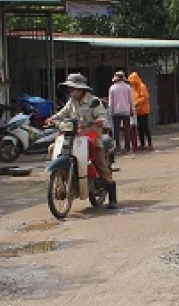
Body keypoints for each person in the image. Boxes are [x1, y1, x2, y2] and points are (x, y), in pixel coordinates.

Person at [47, 73, 116, 209]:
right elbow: (62, 114)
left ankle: (113, 197)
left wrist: (99, 121)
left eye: (73, 88)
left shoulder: (93, 101)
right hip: (73, 137)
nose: (71, 91)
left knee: (100, 164)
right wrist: (51, 119)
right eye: (70, 88)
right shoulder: (71, 102)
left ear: (82, 89)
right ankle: (62, 182)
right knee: (52, 148)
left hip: (92, 137)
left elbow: (103, 117)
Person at [107, 70, 135, 153]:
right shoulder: (128, 87)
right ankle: (127, 147)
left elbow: (110, 102)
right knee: (127, 130)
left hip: (116, 112)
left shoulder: (112, 88)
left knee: (116, 130)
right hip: (126, 111)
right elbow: (131, 100)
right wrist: (132, 110)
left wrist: (110, 112)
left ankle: (117, 147)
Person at [127, 70, 152, 150]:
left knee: (145, 127)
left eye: (132, 81)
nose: (132, 83)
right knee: (139, 128)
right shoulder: (133, 88)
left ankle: (149, 143)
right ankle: (142, 144)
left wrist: (136, 103)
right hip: (137, 111)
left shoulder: (142, 86)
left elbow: (145, 97)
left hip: (144, 111)